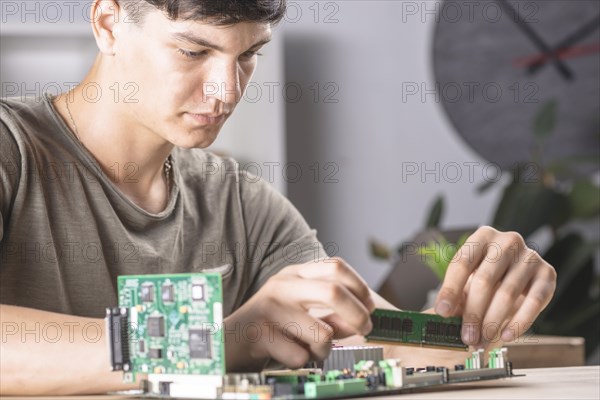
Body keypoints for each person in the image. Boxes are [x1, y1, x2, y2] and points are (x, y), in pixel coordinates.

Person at [0, 0, 557, 395]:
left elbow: (382, 336)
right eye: (195, 51)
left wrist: (487, 306)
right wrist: (217, 342)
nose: (227, 90)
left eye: (248, 55)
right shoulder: (12, 150)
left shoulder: (240, 202)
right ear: (108, 22)